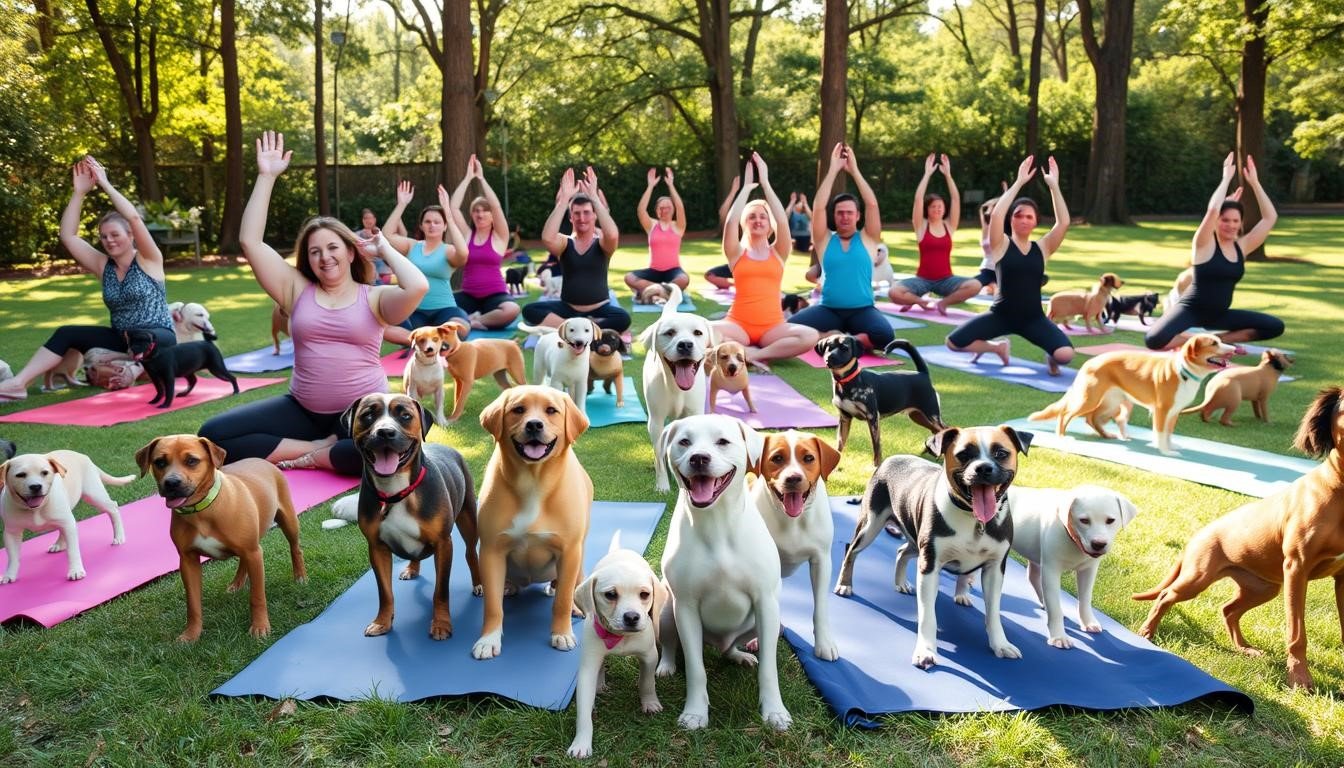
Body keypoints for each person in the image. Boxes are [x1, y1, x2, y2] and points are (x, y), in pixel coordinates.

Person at [198, 131, 428, 475]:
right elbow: (250, 241)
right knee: (213, 437)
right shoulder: (296, 289)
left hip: (362, 413)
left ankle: (320, 456)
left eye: (333, 248)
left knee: (386, 454)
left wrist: (384, 250)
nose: (325, 257)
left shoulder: (376, 297)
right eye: (315, 251)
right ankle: (316, 449)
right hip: (302, 409)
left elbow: (417, 286)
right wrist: (266, 176)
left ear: (351, 252)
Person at [0, 156, 175, 402]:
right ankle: (18, 384)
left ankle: (135, 369)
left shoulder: (149, 259)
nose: (109, 241)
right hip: (122, 338)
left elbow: (134, 219)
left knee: (151, 339)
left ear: (131, 236)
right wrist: (79, 193)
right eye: (103, 237)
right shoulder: (103, 265)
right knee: (67, 332)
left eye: (115, 234)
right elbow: (68, 236)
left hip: (158, 336)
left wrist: (105, 184)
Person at [946, 155, 1074, 375]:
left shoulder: (1042, 248)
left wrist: (1054, 186)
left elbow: (1063, 223)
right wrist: (1019, 182)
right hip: (1001, 316)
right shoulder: (1001, 244)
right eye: (1018, 215)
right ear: (1012, 219)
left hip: (1033, 318)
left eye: (1029, 216)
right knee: (953, 343)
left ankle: (1051, 358)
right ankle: (997, 348)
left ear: (1035, 221)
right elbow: (996, 215)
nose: (1024, 219)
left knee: (1066, 355)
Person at [1144, 153, 1283, 350]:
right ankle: (1199, 342)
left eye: (1236, 221)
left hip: (1219, 314)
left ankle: (1220, 341)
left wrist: (1255, 183)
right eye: (1225, 220)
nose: (1231, 225)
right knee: (1154, 340)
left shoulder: (1241, 247)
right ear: (1217, 222)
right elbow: (1212, 210)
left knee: (1274, 326)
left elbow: (1269, 218)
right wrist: (1226, 178)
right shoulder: (1204, 244)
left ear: (1241, 223)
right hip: (1190, 310)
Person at [712, 154, 819, 370]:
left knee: (810, 335)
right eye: (752, 217)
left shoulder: (779, 252)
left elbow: (781, 219)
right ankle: (748, 351)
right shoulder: (736, 253)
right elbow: (731, 220)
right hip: (738, 325)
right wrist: (747, 187)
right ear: (745, 223)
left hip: (773, 328)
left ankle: (755, 355)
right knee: (706, 330)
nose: (758, 220)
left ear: (769, 225)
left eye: (762, 217)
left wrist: (766, 183)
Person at [789, 143, 895, 351]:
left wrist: (854, 171)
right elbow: (819, 206)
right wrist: (832, 171)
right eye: (840, 212)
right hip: (829, 310)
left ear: (858, 215)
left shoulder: (869, 238)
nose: (845, 216)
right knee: (789, 329)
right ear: (834, 216)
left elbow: (872, 204)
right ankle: (831, 336)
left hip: (862, 310)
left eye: (849, 212)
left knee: (885, 336)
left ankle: (845, 341)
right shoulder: (824, 239)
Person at [524, 167, 631, 332]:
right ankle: (580, 328)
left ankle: (577, 328)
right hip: (568, 309)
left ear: (594, 215)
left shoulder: (602, 244)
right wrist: (564, 200)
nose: (582, 218)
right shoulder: (565, 243)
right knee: (530, 310)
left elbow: (612, 234)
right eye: (577, 213)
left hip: (600, 308)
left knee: (623, 318)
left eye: (587, 213)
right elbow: (547, 237)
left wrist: (594, 197)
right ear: (571, 217)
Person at [887, 154, 981, 314]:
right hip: (922, 280)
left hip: (946, 280)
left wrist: (948, 175)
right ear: (927, 209)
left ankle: (943, 304)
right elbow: (917, 200)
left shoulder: (949, 226)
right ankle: (921, 301)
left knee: (975, 285)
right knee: (893, 292)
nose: (937, 209)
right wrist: (927, 174)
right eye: (933, 207)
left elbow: (956, 200)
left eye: (940, 206)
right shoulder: (922, 226)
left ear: (944, 209)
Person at [381, 180, 471, 345]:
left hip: (444, 310)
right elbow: (386, 235)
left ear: (444, 227)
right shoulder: (411, 246)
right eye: (427, 222)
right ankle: (424, 342)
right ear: (421, 226)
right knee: (384, 328)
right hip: (415, 311)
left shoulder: (449, 250)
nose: (432, 225)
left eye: (437, 222)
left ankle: (424, 342)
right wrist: (401, 204)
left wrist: (449, 217)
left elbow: (464, 254)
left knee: (461, 327)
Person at [447, 154, 522, 330]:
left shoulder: (500, 236)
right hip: (468, 295)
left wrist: (481, 178)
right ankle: (476, 319)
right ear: (472, 214)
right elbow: (454, 207)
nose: (480, 214)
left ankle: (473, 321)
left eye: (485, 211)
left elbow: (496, 206)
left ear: (491, 215)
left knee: (512, 309)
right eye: (476, 211)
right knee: (441, 306)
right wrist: (467, 178)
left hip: (495, 295)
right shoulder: (467, 234)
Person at [625, 167, 690, 300]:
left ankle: (652, 292)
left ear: (672, 210)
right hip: (653, 272)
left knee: (684, 280)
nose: (664, 209)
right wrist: (650, 186)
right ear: (656, 210)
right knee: (629, 277)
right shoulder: (652, 225)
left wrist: (671, 185)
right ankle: (664, 291)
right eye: (661, 207)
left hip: (673, 271)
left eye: (668, 207)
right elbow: (641, 210)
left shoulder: (678, 226)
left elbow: (680, 207)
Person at [703, 175, 741, 291]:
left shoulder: (752, 229)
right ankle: (737, 286)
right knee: (709, 275)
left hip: (749, 267)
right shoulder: (732, 228)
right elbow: (723, 212)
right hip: (733, 267)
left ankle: (744, 284)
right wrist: (733, 191)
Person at [355, 208, 394, 285]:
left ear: (374, 219)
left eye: (370, 218)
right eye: (365, 218)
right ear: (362, 220)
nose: (368, 220)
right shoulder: (356, 235)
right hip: (365, 270)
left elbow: (389, 252)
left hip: (383, 271)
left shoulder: (382, 234)